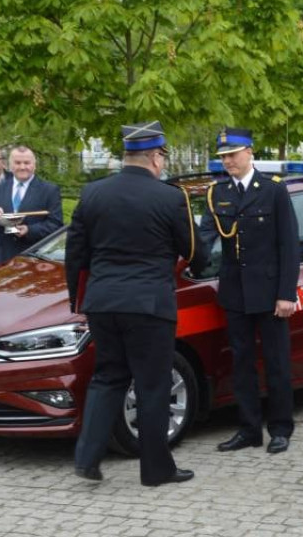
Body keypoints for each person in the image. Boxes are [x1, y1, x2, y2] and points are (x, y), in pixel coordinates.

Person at [65, 121, 206, 486]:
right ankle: (156, 469)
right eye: (163, 157)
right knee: (152, 385)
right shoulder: (171, 197)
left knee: (107, 378)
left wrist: (76, 300)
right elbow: (192, 250)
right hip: (149, 305)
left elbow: (75, 253)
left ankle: (87, 458)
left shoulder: (92, 193)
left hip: (102, 303)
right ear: (156, 157)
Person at [197, 128, 301, 455]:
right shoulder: (218, 193)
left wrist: (287, 293)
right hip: (235, 293)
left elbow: (289, 245)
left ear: (250, 152)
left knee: (276, 363)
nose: (227, 161)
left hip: (270, 293)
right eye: (223, 156)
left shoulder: (273, 191)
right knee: (241, 364)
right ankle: (249, 429)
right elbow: (203, 243)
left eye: (233, 154)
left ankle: (281, 428)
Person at [0, 146, 64, 263]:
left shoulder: (49, 190)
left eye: (27, 163)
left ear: (34, 165)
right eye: (17, 163)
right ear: (9, 166)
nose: (22, 167)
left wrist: (29, 230)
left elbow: (56, 224)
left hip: (36, 259)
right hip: (5, 259)